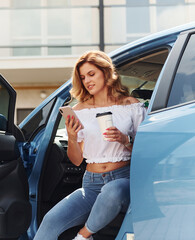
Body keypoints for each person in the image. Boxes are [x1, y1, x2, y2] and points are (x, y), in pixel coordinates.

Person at [34, 50, 146, 240]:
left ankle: (83, 236)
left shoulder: (131, 105)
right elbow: (77, 160)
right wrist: (71, 136)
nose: (87, 81)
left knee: (112, 191)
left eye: (91, 74)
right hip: (91, 184)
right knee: (51, 220)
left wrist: (124, 140)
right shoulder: (79, 111)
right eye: (83, 77)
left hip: (124, 179)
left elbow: (147, 151)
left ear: (106, 73)